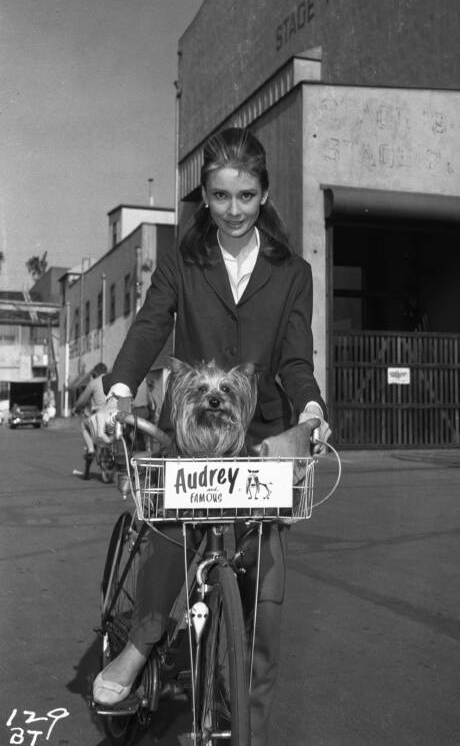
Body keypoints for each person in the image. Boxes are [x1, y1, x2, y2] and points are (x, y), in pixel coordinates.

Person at [89, 126, 331, 746]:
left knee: (265, 584)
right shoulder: (182, 261)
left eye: (246, 196)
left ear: (264, 194)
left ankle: (247, 718)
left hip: (260, 438)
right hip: (193, 431)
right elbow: (148, 327)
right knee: (172, 530)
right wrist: (119, 391)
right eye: (220, 196)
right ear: (205, 195)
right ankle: (143, 642)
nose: (232, 210)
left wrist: (309, 408)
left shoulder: (292, 272)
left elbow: (296, 357)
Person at [73, 362, 108, 479]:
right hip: (115, 415)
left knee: (83, 424)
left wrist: (76, 407)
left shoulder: (94, 383)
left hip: (99, 416)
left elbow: (82, 400)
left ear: (95, 373)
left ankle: (91, 449)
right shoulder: (113, 381)